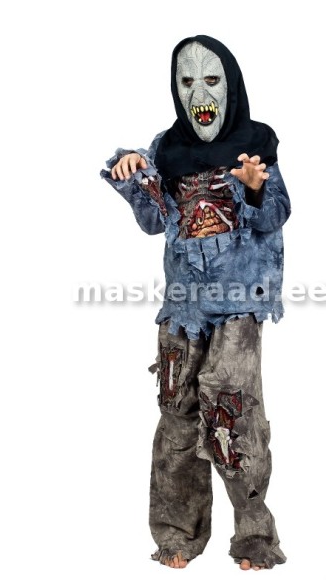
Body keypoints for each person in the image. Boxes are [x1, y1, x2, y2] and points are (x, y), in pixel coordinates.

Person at [100, 35, 291, 571]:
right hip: (182, 308)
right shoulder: (167, 148)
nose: (199, 93)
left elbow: (275, 213)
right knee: (176, 415)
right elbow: (153, 221)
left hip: (237, 307)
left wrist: (253, 186)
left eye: (211, 79)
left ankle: (254, 537)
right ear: (176, 89)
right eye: (187, 81)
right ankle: (178, 534)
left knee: (232, 417)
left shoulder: (256, 142)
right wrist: (136, 171)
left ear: (231, 85)